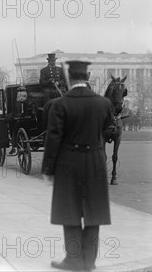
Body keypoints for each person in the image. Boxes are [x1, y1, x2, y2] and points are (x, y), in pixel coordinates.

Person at [41, 60, 113, 272]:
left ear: (69, 79)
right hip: (95, 162)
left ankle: (73, 260)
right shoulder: (103, 104)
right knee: (94, 213)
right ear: (88, 77)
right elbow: (108, 129)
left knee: (69, 212)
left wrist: (48, 169)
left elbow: (53, 139)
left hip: (68, 162)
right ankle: (88, 263)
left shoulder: (60, 104)